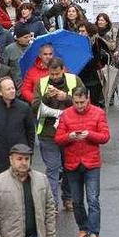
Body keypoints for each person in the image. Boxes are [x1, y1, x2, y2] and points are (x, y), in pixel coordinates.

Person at [55, 87, 110, 237]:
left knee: (93, 199)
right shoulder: (65, 114)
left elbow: (105, 137)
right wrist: (69, 136)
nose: (79, 106)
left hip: (91, 163)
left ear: (88, 99)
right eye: (76, 102)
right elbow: (58, 139)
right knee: (77, 201)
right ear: (72, 100)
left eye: (82, 102)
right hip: (72, 163)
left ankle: (94, 233)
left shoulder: (98, 113)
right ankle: (83, 229)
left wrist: (89, 134)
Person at [32, 58, 83, 212]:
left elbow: (84, 102)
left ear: (63, 70)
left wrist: (65, 97)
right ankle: (52, 202)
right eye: (51, 74)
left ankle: (68, 198)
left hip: (70, 133)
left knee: (69, 168)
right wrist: (47, 97)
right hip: (48, 133)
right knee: (53, 168)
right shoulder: (41, 83)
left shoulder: (74, 80)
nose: (54, 77)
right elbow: (35, 106)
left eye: (57, 73)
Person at [0, 77, 36, 175]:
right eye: (8, 89)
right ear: (0, 92)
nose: (12, 91)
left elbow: (30, 132)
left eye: (13, 88)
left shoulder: (24, 108)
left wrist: (29, 152)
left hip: (20, 153)